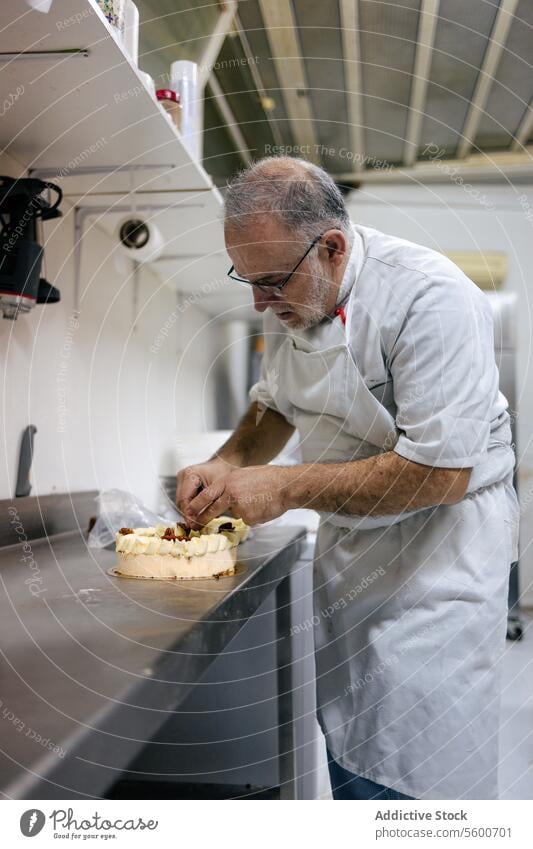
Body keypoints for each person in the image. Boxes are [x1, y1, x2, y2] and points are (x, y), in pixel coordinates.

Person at [175, 156, 519, 800]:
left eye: (271, 281)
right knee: (348, 741)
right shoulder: (298, 302)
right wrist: (227, 462)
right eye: (247, 281)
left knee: (416, 763)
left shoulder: (427, 296)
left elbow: (440, 473)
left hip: (438, 558)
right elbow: (272, 403)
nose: (258, 301)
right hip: (355, 556)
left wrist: (285, 487)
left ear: (331, 248)